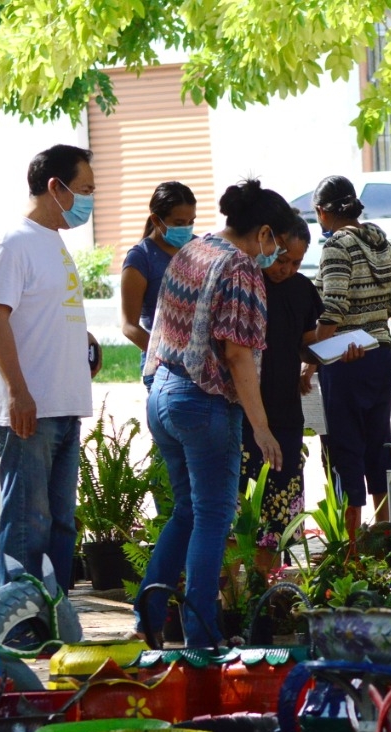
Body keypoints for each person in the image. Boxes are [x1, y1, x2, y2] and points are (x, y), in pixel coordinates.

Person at [135, 179, 289, 647]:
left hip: (162, 392)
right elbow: (238, 355)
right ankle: (202, 637)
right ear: (263, 232)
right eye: (277, 243)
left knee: (186, 512)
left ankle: (149, 618)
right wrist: (262, 427)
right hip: (203, 403)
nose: (275, 253)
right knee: (214, 516)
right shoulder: (240, 268)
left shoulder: (192, 251)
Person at [0, 144, 102, 592]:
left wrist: (81, 339)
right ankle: (18, 620)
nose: (89, 198)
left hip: (63, 405)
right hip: (29, 410)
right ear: (56, 187)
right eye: (84, 189)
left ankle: (52, 617)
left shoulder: (52, 241)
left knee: (59, 526)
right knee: (28, 526)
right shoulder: (13, 242)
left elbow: (42, 308)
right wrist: (17, 392)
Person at [311, 175, 391, 545]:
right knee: (378, 443)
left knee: (346, 449)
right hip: (380, 357)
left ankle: (350, 546)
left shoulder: (337, 246)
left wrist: (313, 354)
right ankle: (383, 538)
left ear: (323, 212)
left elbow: (333, 307)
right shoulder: (383, 243)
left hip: (345, 360)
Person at [240, 214, 326, 566]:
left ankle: (266, 589)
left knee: (277, 519)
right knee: (241, 516)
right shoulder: (244, 284)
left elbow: (306, 342)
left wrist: (321, 358)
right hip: (246, 414)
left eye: (296, 262)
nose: (286, 269)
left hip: (287, 415)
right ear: (268, 244)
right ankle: (234, 597)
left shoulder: (303, 289)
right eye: (281, 259)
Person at [120, 181, 198, 384]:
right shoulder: (140, 258)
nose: (187, 229)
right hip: (163, 369)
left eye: (191, 222)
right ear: (156, 220)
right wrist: (166, 356)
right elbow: (129, 325)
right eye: (179, 223)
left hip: (203, 365)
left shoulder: (201, 248)